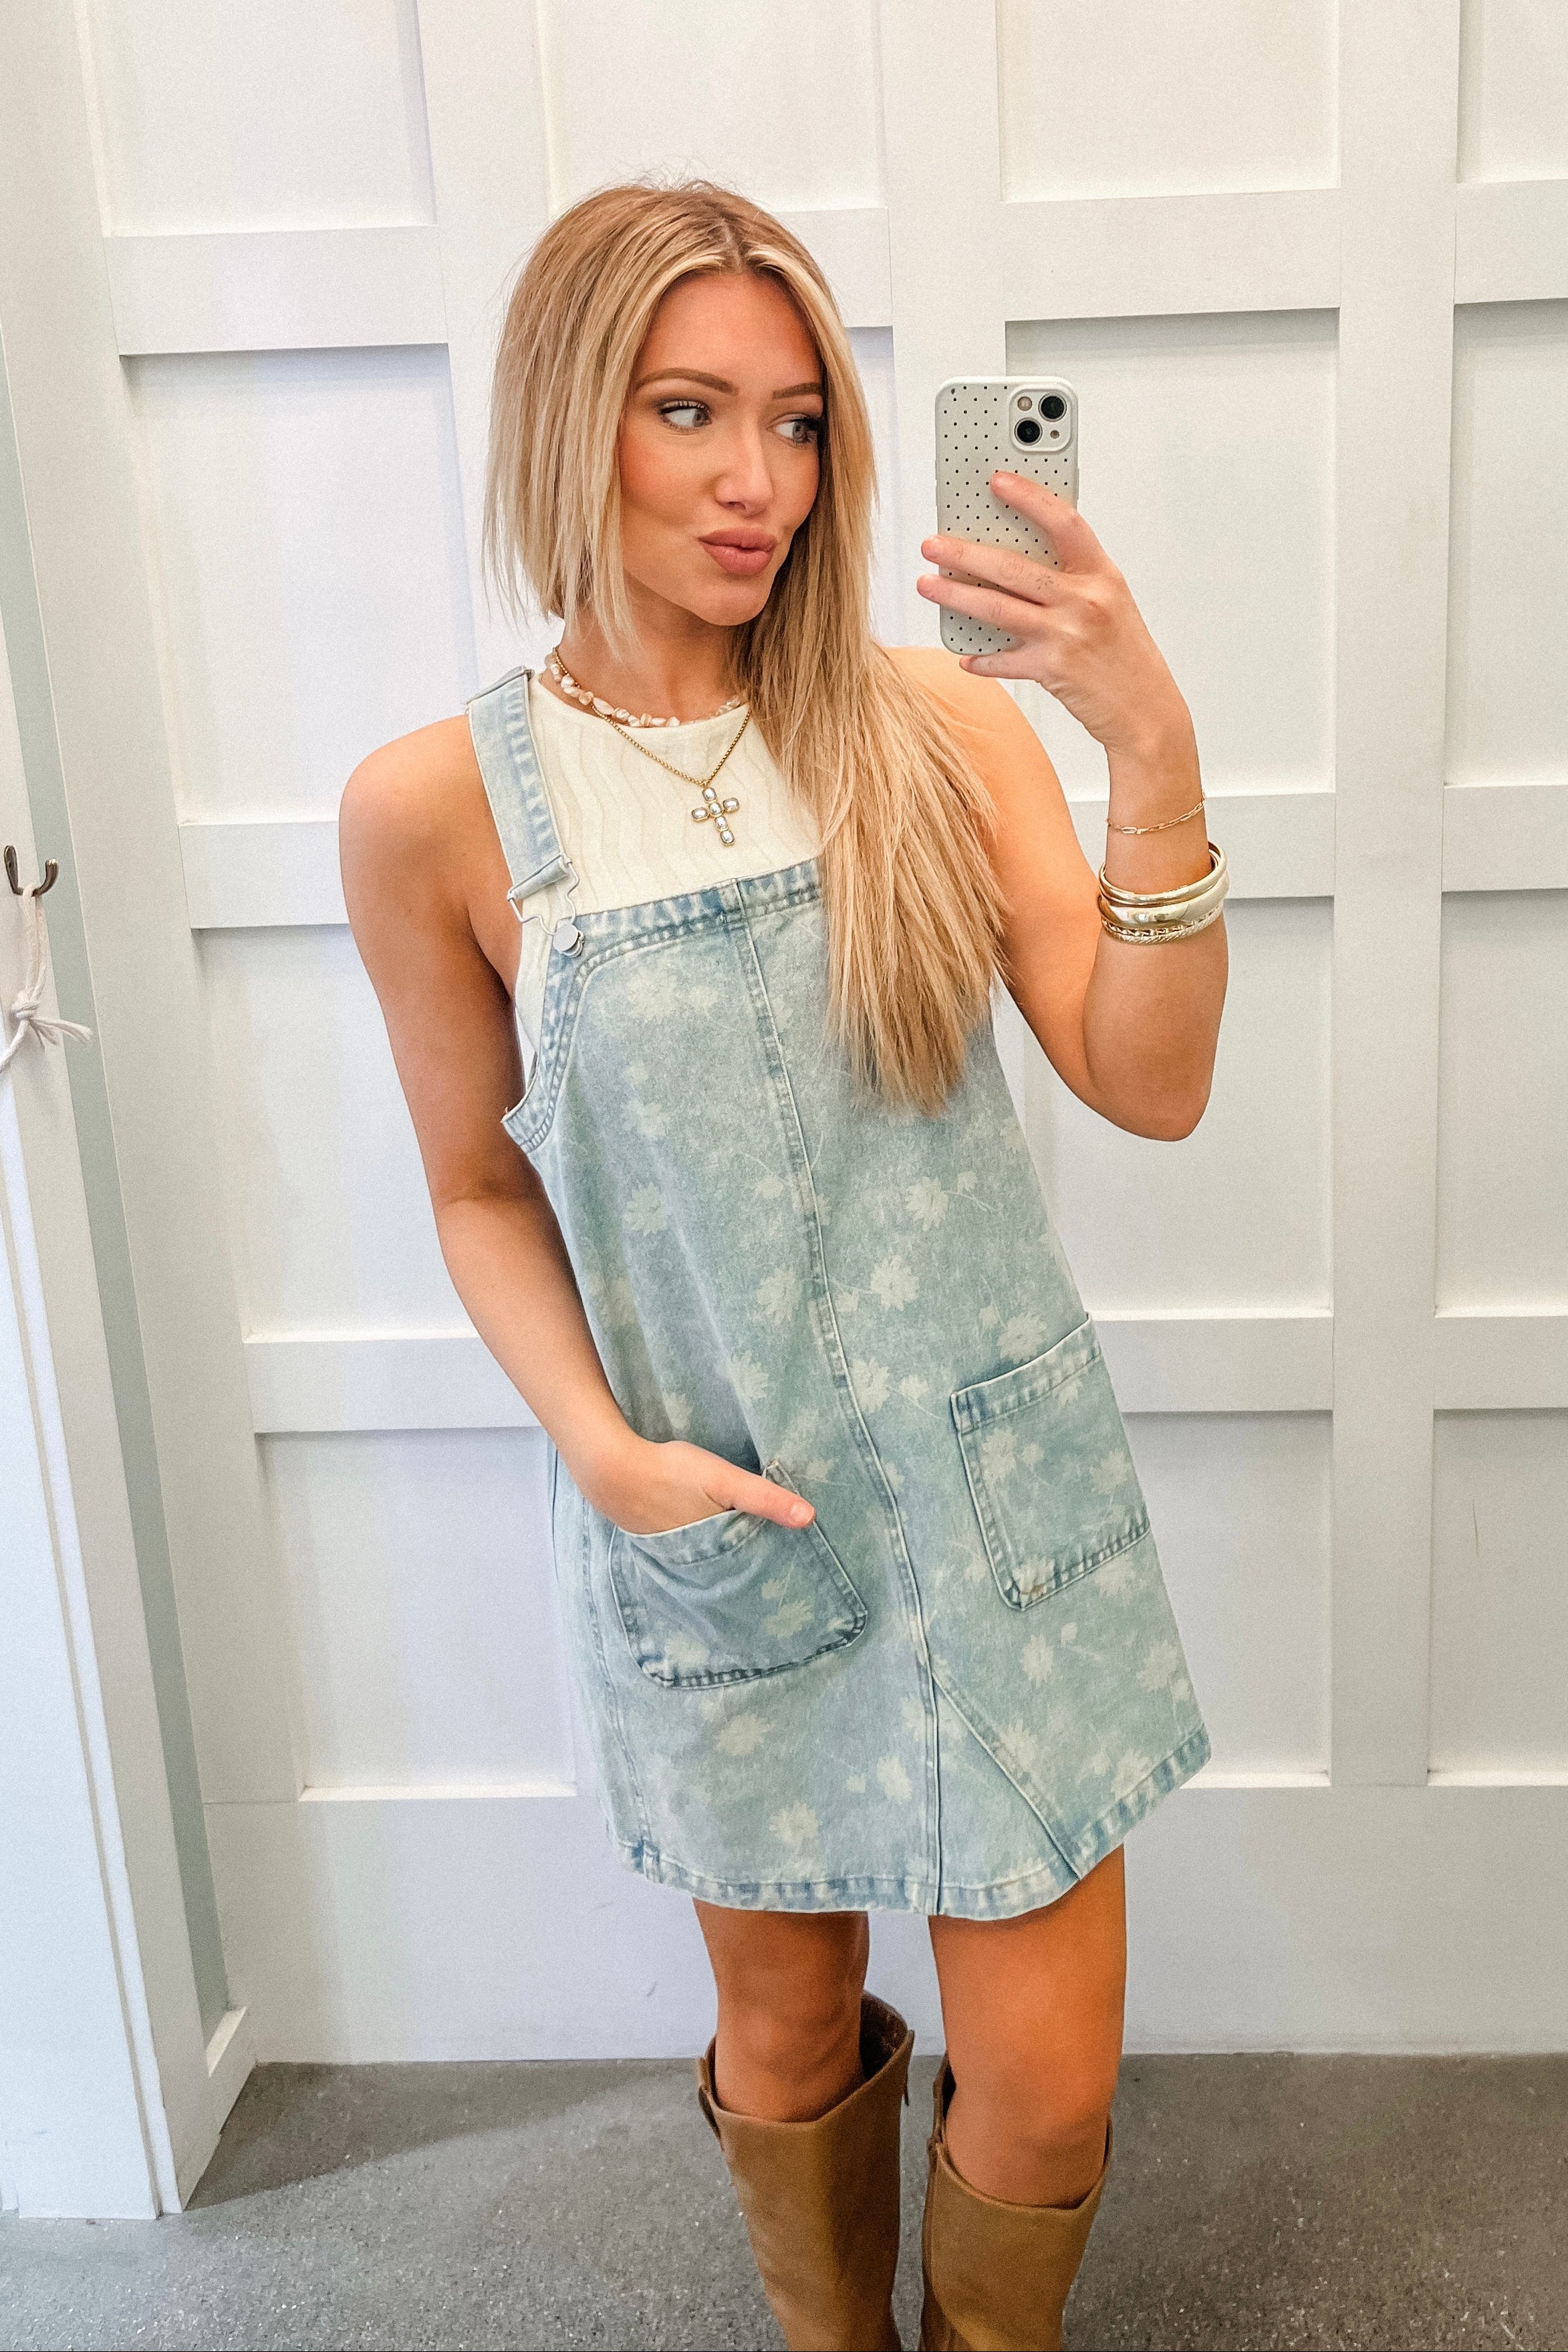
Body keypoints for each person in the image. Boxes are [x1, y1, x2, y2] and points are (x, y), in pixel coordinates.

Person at [342, 180, 1225, 2352]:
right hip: (726, 1512)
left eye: (799, 421)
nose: (758, 480)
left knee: (1045, 2085)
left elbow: (1149, 1083)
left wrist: (1149, 753)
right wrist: (601, 1452)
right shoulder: (435, 809)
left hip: (997, 1506)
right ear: (571, 420)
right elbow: (477, 1190)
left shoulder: (932, 725)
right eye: (688, 412)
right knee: (787, 2024)